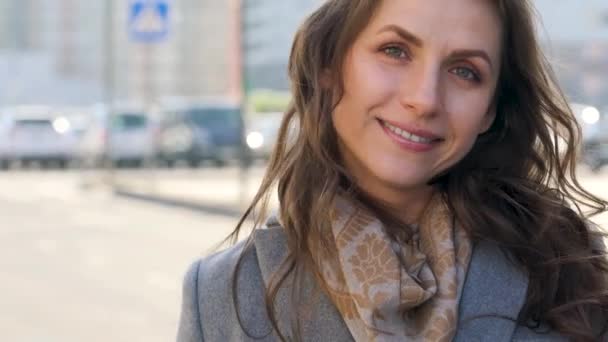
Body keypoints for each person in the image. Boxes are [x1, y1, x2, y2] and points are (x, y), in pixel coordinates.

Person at [177, 0, 608, 341]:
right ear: (330, 68)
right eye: (395, 51)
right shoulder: (222, 295)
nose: (425, 99)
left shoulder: (568, 268)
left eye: (464, 71)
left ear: (490, 111)